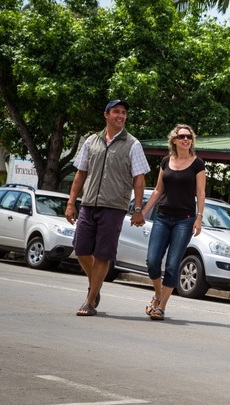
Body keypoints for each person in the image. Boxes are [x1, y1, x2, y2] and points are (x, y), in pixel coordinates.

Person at [66, 99, 150, 316]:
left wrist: (138, 208)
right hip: (88, 204)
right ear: (106, 115)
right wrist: (70, 203)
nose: (120, 116)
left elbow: (139, 179)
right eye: (116, 112)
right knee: (81, 249)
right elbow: (80, 173)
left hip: (114, 207)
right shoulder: (91, 141)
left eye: (123, 113)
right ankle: (96, 284)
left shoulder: (133, 144)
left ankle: (90, 300)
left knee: (103, 254)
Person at [141, 124, 206, 321]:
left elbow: (201, 192)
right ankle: (158, 294)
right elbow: (158, 190)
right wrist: (143, 212)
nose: (186, 139)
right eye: (182, 136)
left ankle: (161, 307)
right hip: (162, 217)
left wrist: (199, 218)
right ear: (174, 140)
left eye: (189, 136)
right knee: (152, 261)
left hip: (184, 221)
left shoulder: (198, 164)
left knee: (172, 265)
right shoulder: (165, 161)